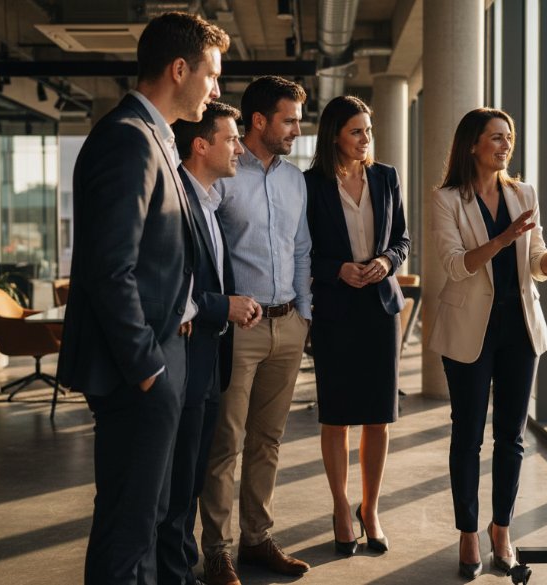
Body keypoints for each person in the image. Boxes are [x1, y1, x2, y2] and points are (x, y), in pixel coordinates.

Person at [56, 12, 228, 585]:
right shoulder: (129, 140)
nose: (216, 88)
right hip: (141, 370)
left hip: (162, 361)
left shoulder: (154, 136)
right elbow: (111, 270)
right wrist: (148, 367)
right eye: (212, 75)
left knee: (147, 520)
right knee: (128, 529)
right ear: (180, 69)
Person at [428, 108, 547, 579]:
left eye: (509, 137)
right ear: (473, 144)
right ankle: (467, 533)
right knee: (468, 435)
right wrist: (502, 239)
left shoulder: (524, 193)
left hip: (519, 328)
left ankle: (502, 529)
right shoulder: (447, 199)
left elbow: (536, 265)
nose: (505, 145)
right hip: (469, 331)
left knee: (512, 437)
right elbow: (456, 266)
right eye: (496, 137)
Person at [198, 76, 313, 585]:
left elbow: (302, 250)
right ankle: (217, 551)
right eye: (288, 119)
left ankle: (256, 538)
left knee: (268, 440)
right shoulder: (222, 173)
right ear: (259, 121)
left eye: (298, 120)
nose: (296, 129)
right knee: (227, 441)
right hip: (237, 330)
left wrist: (305, 315)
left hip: (288, 325)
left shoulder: (295, 180)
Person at [156, 102, 263, 585]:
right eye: (232, 138)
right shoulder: (178, 200)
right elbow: (169, 285)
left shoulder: (210, 201)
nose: (240, 147)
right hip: (184, 359)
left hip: (205, 360)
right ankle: (174, 576)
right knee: (177, 485)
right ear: (201, 145)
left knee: (190, 480)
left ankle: (182, 573)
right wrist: (225, 306)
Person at [303, 95, 410, 556]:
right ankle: (341, 508)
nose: (367, 139)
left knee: (378, 417)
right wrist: (336, 270)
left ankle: (371, 508)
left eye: (369, 130)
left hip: (380, 309)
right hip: (335, 310)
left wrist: (386, 262)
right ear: (334, 136)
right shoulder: (310, 185)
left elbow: (402, 238)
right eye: (357, 131)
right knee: (337, 416)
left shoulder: (386, 177)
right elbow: (300, 250)